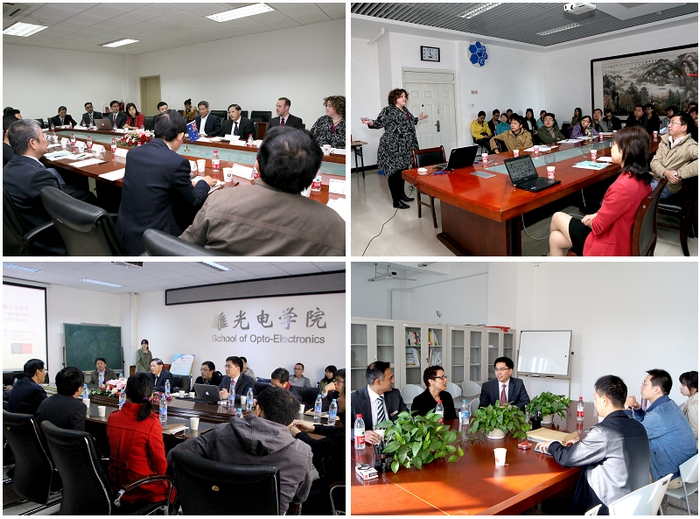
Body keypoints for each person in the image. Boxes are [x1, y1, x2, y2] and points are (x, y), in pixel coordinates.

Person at [179, 127, 345, 256]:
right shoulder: (334, 225)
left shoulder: (218, 200)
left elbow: (181, 247)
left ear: (257, 164)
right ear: (315, 176)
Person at [167, 386, 312, 515]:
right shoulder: (302, 453)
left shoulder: (221, 434)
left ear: (258, 409)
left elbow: (175, 456)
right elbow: (300, 497)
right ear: (291, 421)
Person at [535, 375, 650, 515]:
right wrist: (583, 444)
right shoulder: (638, 426)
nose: (594, 403)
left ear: (604, 400)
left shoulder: (603, 432)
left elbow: (567, 458)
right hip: (635, 503)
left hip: (609, 508)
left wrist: (553, 444)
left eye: (595, 398)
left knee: (554, 506)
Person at [116, 109, 215, 255]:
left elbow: (155, 179)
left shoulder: (133, 153)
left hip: (125, 234)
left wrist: (185, 184)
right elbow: (193, 201)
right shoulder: (177, 162)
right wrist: (204, 183)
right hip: (154, 240)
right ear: (180, 136)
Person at [548, 126, 653, 256]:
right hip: (622, 234)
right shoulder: (641, 178)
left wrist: (591, 219)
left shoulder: (622, 187)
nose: (611, 147)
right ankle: (551, 260)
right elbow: (616, 210)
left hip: (610, 244)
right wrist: (596, 215)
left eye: (614, 144)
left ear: (627, 149)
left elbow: (597, 226)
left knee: (557, 216)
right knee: (555, 238)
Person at [4, 119, 96, 254]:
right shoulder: (37, 176)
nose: (45, 140)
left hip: (28, 227)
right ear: (33, 143)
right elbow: (64, 211)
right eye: (43, 136)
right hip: (50, 240)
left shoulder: (7, 168)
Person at [107, 373, 170, 507]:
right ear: (151, 396)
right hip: (141, 488)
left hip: (115, 483)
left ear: (126, 394)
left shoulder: (113, 417)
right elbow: (160, 466)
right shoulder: (151, 423)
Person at [625, 369, 697, 485]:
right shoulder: (669, 405)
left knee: (626, 468)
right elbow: (647, 424)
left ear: (656, 389)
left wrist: (627, 408)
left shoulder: (658, 415)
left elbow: (631, 434)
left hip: (673, 476)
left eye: (644, 384)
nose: (641, 387)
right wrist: (638, 409)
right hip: (687, 471)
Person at [361, 88, 428, 209]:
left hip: (406, 147)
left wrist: (418, 118)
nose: (404, 98)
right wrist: (370, 122)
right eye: (401, 96)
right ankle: (396, 201)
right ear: (394, 98)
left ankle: (402, 195)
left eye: (405, 96)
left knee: (402, 172)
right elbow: (378, 123)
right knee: (395, 173)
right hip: (393, 146)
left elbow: (409, 121)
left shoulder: (404, 110)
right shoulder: (388, 110)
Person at [289, 388, 346, 514]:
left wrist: (297, 433)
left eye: (341, 396)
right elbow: (337, 431)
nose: (338, 399)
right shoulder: (346, 425)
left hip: (336, 487)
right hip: (330, 478)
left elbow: (317, 447)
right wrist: (313, 428)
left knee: (302, 499)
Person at [351, 361, 408, 445]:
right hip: (368, 445)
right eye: (390, 378)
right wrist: (361, 434)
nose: (393, 381)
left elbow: (406, 417)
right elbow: (346, 429)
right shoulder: (354, 399)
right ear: (378, 382)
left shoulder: (395, 394)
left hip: (394, 443)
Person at [649, 111, 698, 199]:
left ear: (684, 127)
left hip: (666, 186)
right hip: (653, 178)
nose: (669, 125)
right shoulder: (665, 141)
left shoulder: (689, 146)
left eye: (673, 123)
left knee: (633, 188)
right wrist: (665, 172)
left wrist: (679, 173)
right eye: (669, 122)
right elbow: (654, 162)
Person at [36, 367, 86, 431]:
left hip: (45, 437)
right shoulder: (78, 407)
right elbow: (78, 435)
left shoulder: (45, 402)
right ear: (79, 388)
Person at [678, 371, 698, 441]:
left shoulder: (694, 405)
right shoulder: (691, 401)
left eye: (684, 385)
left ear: (694, 388)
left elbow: (695, 431)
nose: (680, 387)